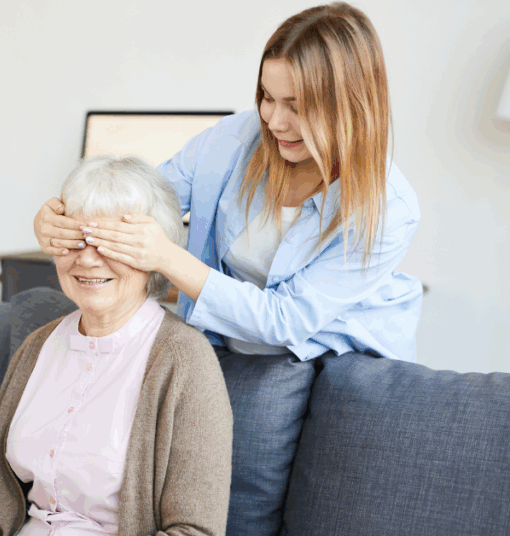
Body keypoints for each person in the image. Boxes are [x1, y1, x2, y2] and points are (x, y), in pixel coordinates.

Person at [34, 2, 422, 364]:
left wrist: (167, 257)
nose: (274, 121)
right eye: (267, 97)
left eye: (297, 106)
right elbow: (144, 200)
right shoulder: (234, 140)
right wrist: (58, 219)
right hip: (230, 342)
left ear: (350, 107)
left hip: (342, 360)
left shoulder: (389, 209)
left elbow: (284, 321)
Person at [0, 156, 233, 536]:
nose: (89, 259)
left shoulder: (184, 361)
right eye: (75, 240)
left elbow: (195, 531)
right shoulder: (38, 346)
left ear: (152, 252)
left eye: (111, 243)